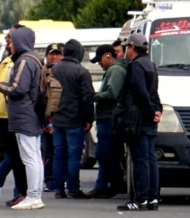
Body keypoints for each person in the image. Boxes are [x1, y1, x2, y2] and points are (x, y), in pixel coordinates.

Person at [0, 27, 45, 210]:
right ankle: (36, 194)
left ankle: (32, 196)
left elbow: (18, 88)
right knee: (35, 156)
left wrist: (1, 86)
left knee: (29, 158)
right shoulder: (36, 59)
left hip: (24, 115)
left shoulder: (24, 61)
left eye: (12, 41)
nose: (10, 45)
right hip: (32, 114)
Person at [118, 33, 162, 212]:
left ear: (132, 48)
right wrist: (157, 111)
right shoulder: (150, 64)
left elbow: (140, 93)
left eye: (127, 47)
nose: (126, 51)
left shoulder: (136, 66)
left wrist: (150, 111)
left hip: (139, 119)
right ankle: (152, 198)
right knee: (151, 159)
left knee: (141, 160)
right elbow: (154, 92)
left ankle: (140, 199)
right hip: (150, 118)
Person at [0, 26, 27, 206]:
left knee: (19, 156)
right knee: (13, 154)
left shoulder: (18, 62)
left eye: (10, 38)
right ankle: (20, 192)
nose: (7, 42)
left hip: (12, 115)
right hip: (3, 114)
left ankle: (23, 192)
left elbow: (13, 88)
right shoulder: (8, 59)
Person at [51, 39, 95, 199]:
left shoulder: (54, 70)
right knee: (74, 155)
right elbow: (87, 97)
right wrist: (90, 118)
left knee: (58, 155)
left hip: (57, 119)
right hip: (75, 119)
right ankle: (73, 188)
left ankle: (58, 189)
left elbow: (45, 95)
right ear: (79, 53)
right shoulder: (81, 72)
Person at [88, 44, 127, 198]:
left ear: (107, 56)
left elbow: (112, 93)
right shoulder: (116, 69)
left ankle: (117, 183)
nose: (99, 64)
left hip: (109, 117)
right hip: (110, 117)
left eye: (99, 60)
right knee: (110, 154)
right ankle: (105, 185)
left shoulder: (115, 70)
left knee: (104, 153)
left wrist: (95, 96)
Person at [41, 43, 64, 192]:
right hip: (47, 118)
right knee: (48, 151)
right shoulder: (42, 72)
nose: (55, 57)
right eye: (52, 54)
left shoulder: (64, 71)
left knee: (61, 151)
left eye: (58, 54)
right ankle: (49, 180)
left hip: (62, 117)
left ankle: (61, 180)